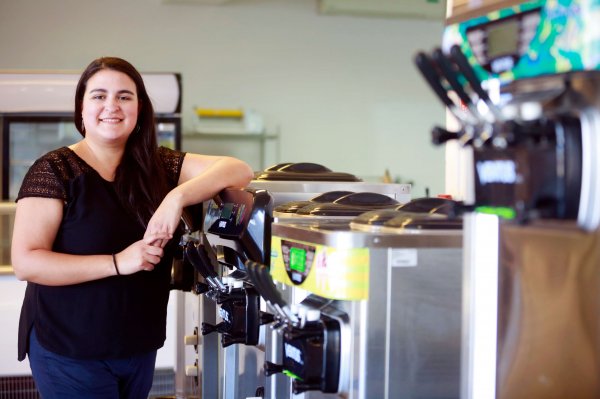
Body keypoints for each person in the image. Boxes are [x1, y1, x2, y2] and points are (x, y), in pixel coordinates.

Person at [11, 56, 254, 398]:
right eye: (98, 96)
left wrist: (176, 198)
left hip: (137, 344)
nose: (112, 105)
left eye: (125, 96)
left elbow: (239, 169)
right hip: (69, 347)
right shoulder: (55, 171)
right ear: (81, 108)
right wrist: (117, 262)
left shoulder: (159, 166)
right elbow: (26, 262)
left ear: (140, 108)